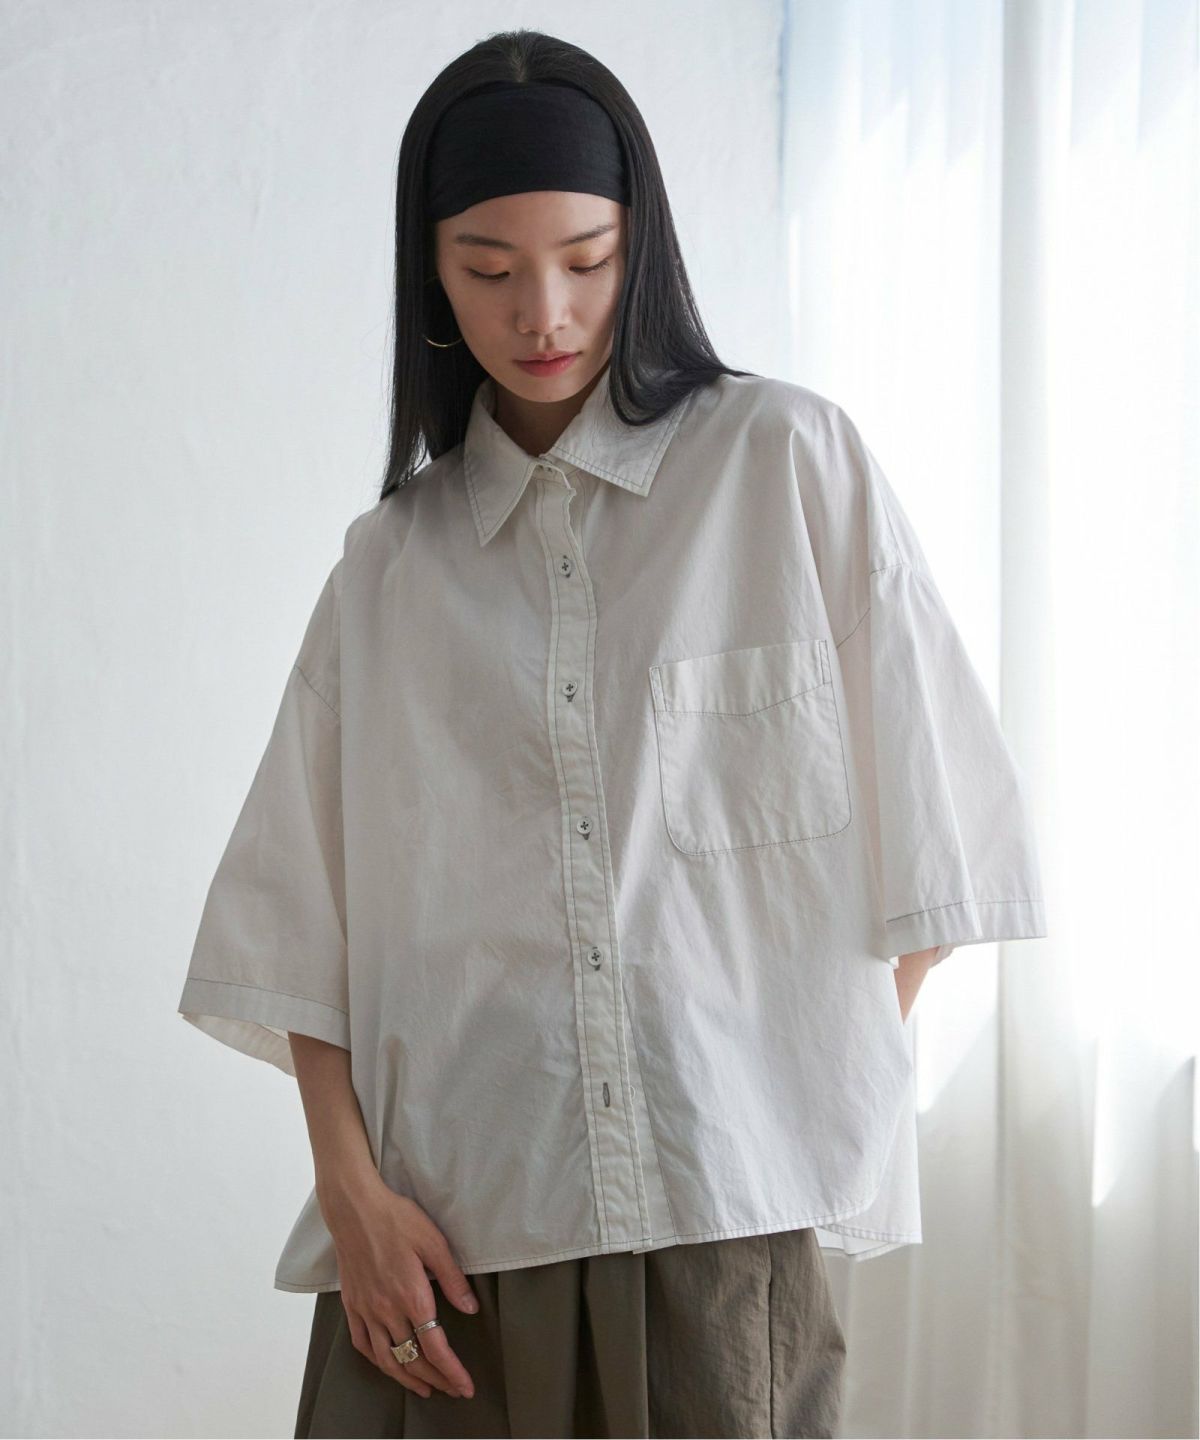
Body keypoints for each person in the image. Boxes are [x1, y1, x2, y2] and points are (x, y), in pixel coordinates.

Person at [176, 27, 1047, 1440]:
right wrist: (350, 1196)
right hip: (441, 1251)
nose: (546, 312)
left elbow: (945, 843)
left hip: (723, 1238)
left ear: (643, 247)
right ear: (431, 275)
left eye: (588, 259)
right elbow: (293, 937)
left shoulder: (787, 468)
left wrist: (780, 1110)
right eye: (489, 270)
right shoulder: (388, 573)